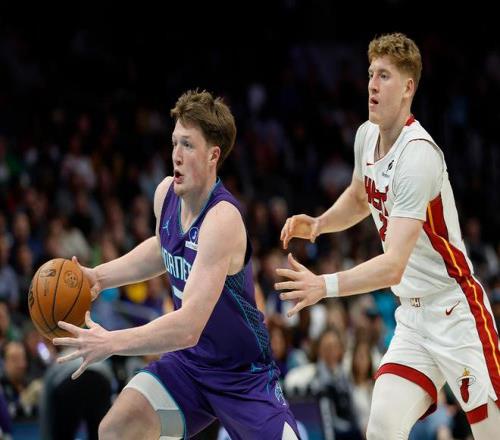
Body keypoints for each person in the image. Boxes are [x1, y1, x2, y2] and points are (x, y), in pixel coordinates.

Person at [276, 33, 500, 439]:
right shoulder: (367, 135)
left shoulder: (419, 155)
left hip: (455, 311)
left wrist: (323, 285)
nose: (372, 86)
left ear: (408, 87)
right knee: (380, 427)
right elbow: (360, 196)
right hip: (412, 318)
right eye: (370, 74)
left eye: (384, 76)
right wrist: (321, 223)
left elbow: (393, 265)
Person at [53, 90, 300, 440]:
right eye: (174, 143)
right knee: (116, 429)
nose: (176, 156)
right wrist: (99, 276)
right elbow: (161, 248)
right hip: (190, 368)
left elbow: (187, 326)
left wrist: (110, 341)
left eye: (187, 145)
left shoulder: (222, 220)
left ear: (213, 155)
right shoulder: (165, 193)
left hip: (242, 377)